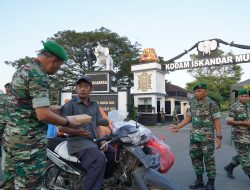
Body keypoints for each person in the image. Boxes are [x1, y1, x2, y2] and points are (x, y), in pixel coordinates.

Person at [1, 41, 80, 190]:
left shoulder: (23, 70)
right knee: (29, 185)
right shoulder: (39, 76)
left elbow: (23, 104)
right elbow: (43, 115)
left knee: (9, 184)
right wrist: (68, 122)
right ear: (53, 60)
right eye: (59, 66)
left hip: (11, 139)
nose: (58, 69)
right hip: (29, 144)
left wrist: (51, 108)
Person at [60, 76, 116, 190]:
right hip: (78, 142)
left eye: (86, 86)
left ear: (91, 89)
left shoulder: (94, 105)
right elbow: (61, 128)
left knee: (112, 153)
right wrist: (78, 132)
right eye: (80, 86)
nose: (82, 89)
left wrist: (103, 141)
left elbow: (98, 125)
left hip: (93, 141)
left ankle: (104, 181)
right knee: (98, 160)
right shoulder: (70, 105)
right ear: (76, 89)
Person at [168, 82, 222, 190]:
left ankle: (211, 183)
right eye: (195, 91)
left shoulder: (212, 104)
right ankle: (199, 180)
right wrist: (179, 126)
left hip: (207, 138)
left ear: (206, 92)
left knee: (209, 160)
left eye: (199, 91)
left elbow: (217, 121)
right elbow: (188, 117)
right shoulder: (193, 103)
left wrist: (219, 137)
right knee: (195, 159)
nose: (197, 93)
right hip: (194, 137)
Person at [224, 89, 250, 180]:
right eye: (242, 96)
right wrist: (244, 123)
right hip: (240, 137)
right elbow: (228, 122)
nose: (244, 98)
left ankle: (229, 167)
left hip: (249, 136)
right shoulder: (234, 107)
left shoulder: (249, 106)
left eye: (246, 96)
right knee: (245, 159)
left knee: (243, 155)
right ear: (238, 97)